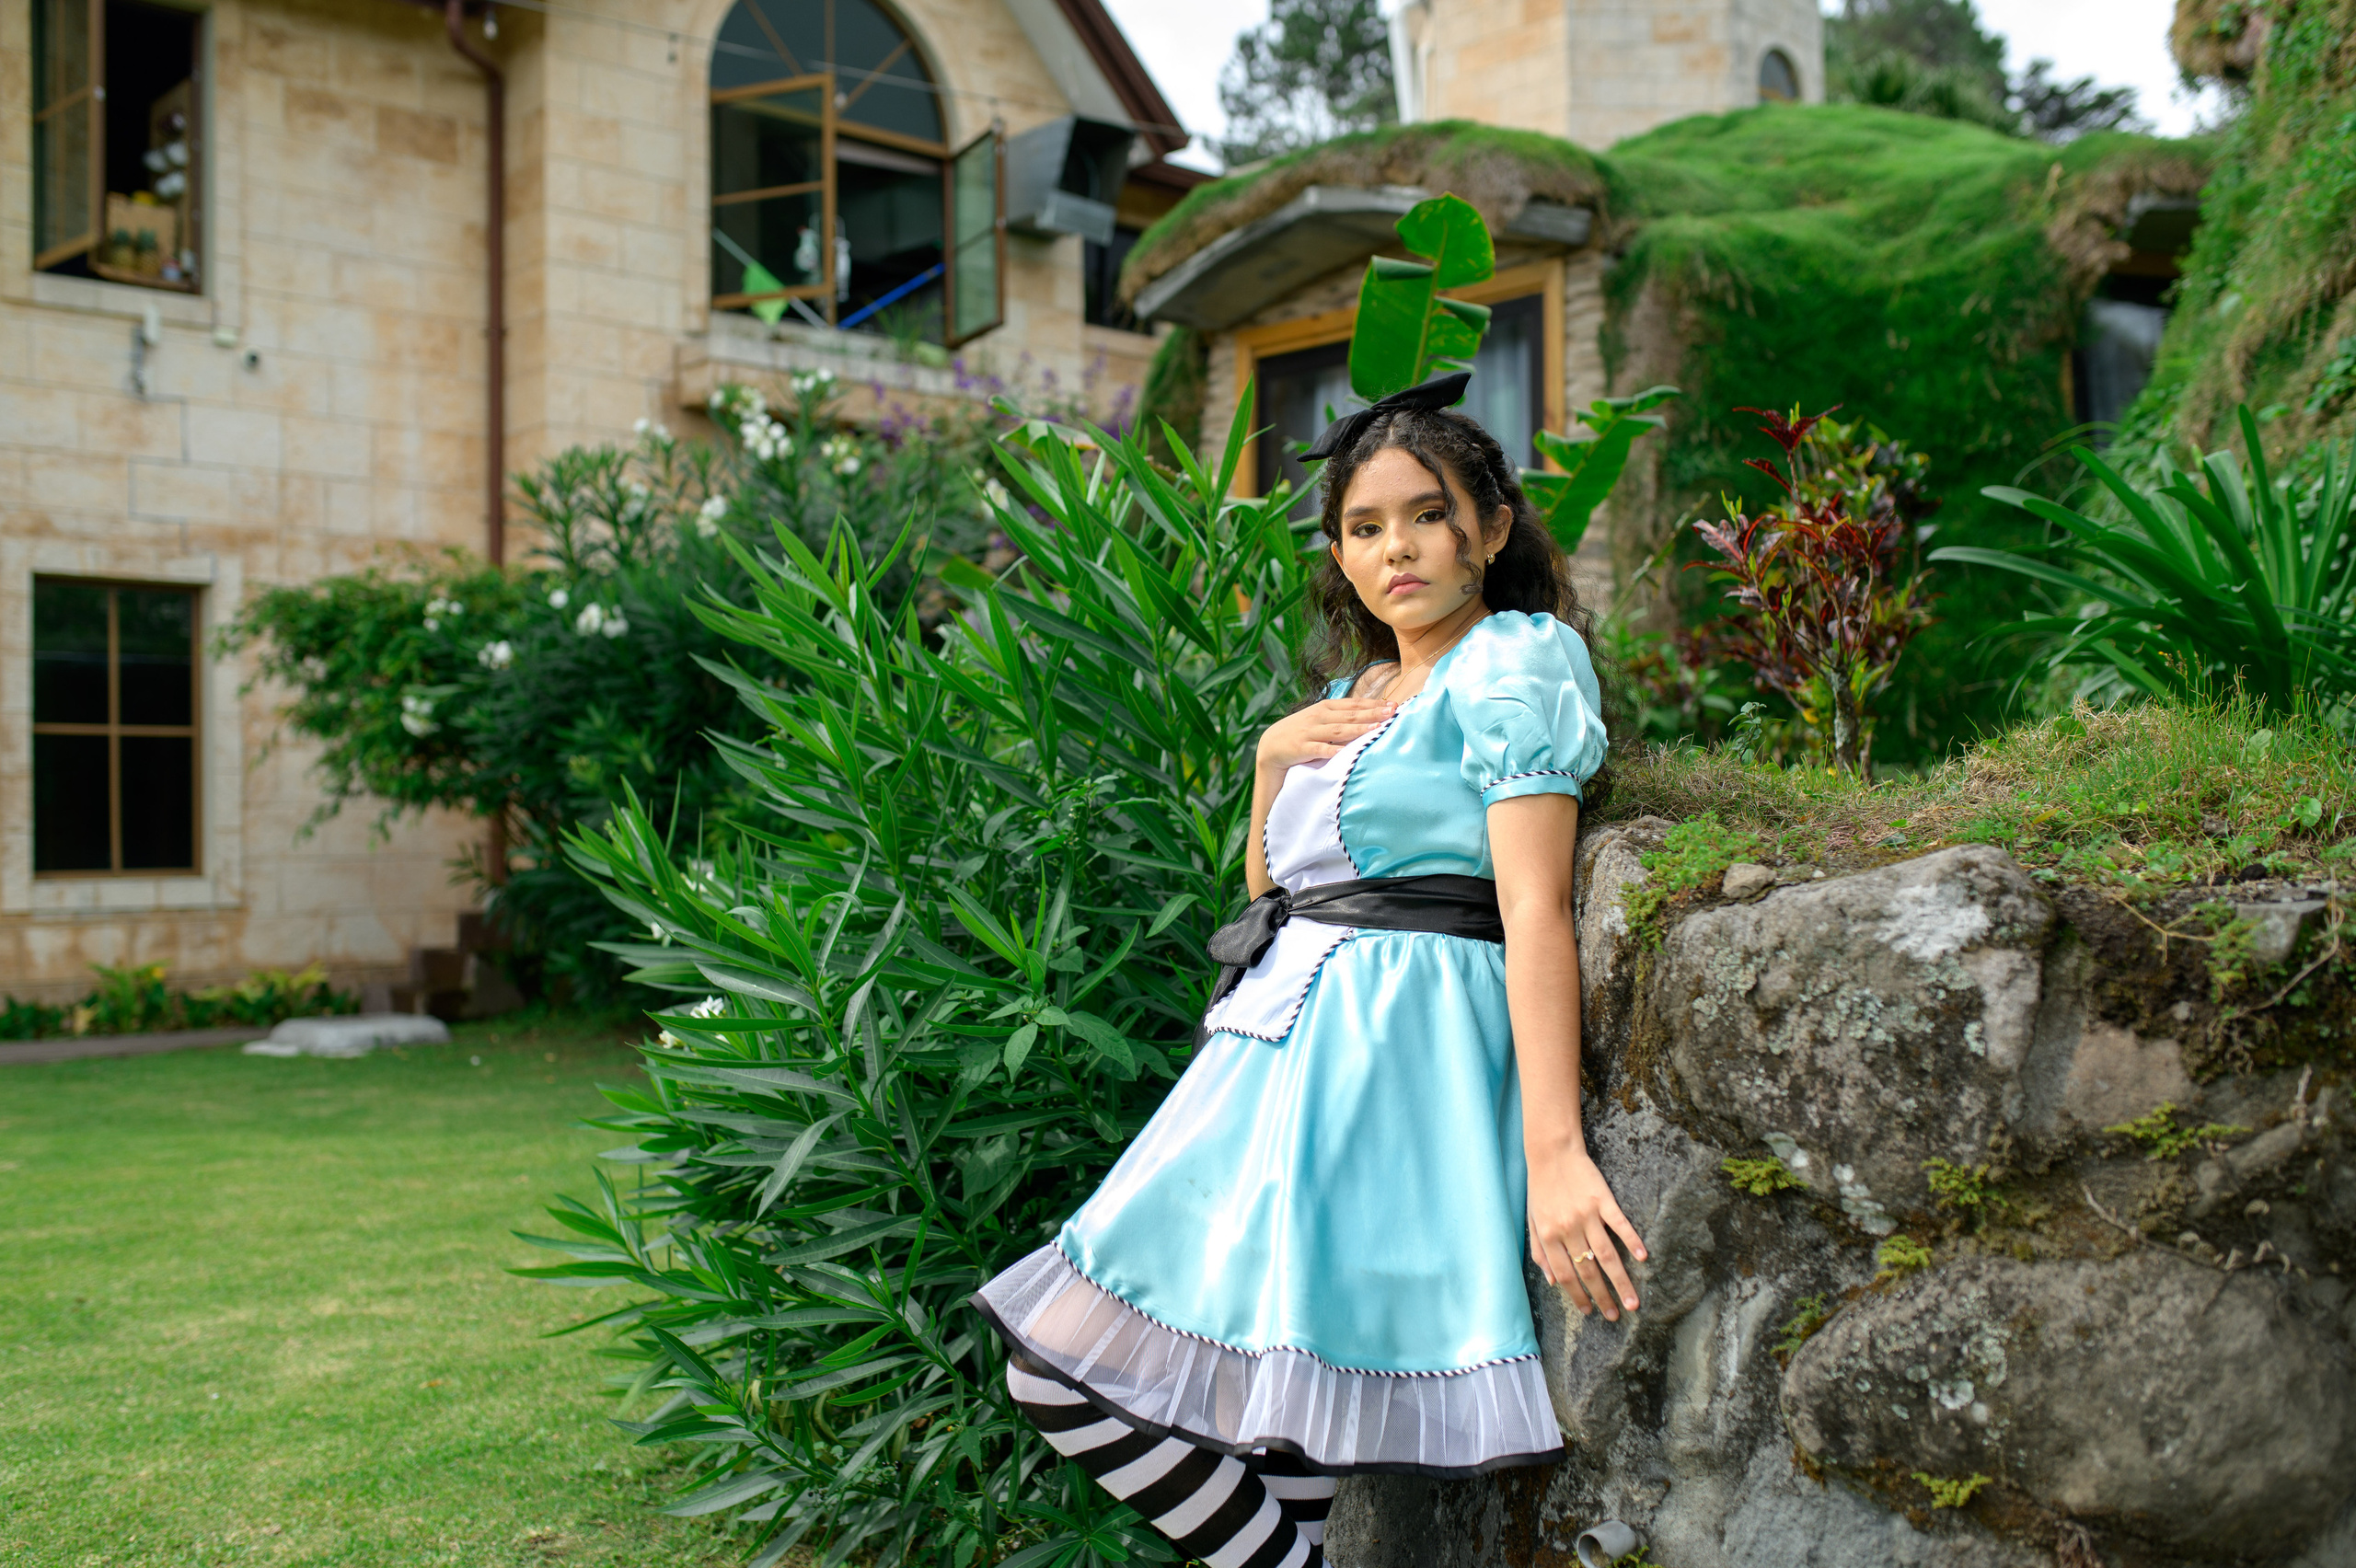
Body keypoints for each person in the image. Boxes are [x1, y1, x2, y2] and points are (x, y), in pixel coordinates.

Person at [972, 375, 1647, 1568]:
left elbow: (1532, 909)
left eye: (1426, 515)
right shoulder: (1350, 696)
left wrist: (1555, 1156)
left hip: (1395, 1062)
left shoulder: (1514, 665)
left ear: (1491, 528)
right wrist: (1269, 759)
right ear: (1339, 554)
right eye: (1364, 527)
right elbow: (1270, 893)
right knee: (1076, 1370)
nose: (1397, 549)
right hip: (1273, 1060)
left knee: (1282, 1423)